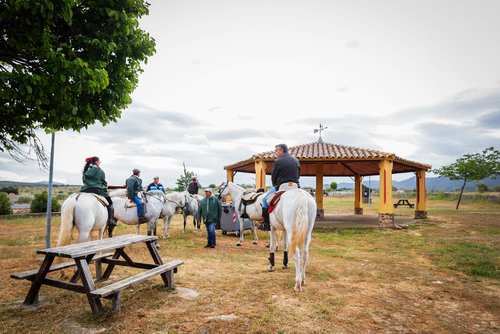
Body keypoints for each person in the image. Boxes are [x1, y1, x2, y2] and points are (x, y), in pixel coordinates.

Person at [261, 143, 300, 231]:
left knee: (264, 200)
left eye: (276, 151)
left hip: (282, 186)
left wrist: (275, 185)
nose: (276, 153)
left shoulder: (278, 161)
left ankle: (266, 224)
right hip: (295, 186)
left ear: (281, 150)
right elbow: (298, 175)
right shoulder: (296, 160)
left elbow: (274, 176)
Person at [79, 156, 117, 228]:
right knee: (110, 202)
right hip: (97, 190)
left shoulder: (85, 171)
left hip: (85, 189)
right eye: (99, 162)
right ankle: (111, 220)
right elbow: (104, 182)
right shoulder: (100, 170)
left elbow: (84, 181)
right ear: (96, 162)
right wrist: (104, 186)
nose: (99, 163)